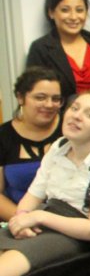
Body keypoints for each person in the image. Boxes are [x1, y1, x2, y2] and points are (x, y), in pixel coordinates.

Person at [0, 89, 90, 276]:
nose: (76, 115)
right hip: (44, 219)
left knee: (4, 269)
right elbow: (33, 195)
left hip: (76, 233)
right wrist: (21, 219)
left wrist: (39, 216)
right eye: (74, 108)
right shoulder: (59, 147)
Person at [0, 68, 63, 221]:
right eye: (40, 98)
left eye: (56, 99)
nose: (49, 105)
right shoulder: (3, 136)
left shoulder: (71, 131)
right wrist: (24, 221)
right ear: (20, 98)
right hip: (16, 220)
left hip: (67, 222)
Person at [26, 0, 90, 100]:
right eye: (65, 10)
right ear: (51, 13)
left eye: (79, 10)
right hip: (59, 116)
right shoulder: (40, 49)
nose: (73, 17)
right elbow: (35, 94)